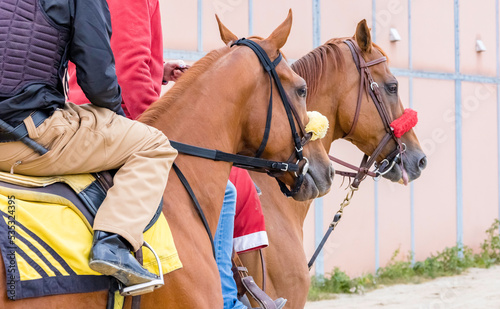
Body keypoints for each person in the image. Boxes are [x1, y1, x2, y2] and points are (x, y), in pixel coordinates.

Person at [67, 1, 284, 307]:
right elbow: (129, 73)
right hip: (113, 118)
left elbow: (114, 56)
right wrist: (156, 131)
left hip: (87, 109)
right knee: (228, 192)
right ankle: (223, 300)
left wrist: (161, 69)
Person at [0, 0, 177, 287]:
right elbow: (98, 80)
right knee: (153, 143)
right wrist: (117, 117)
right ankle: (113, 243)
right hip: (24, 133)